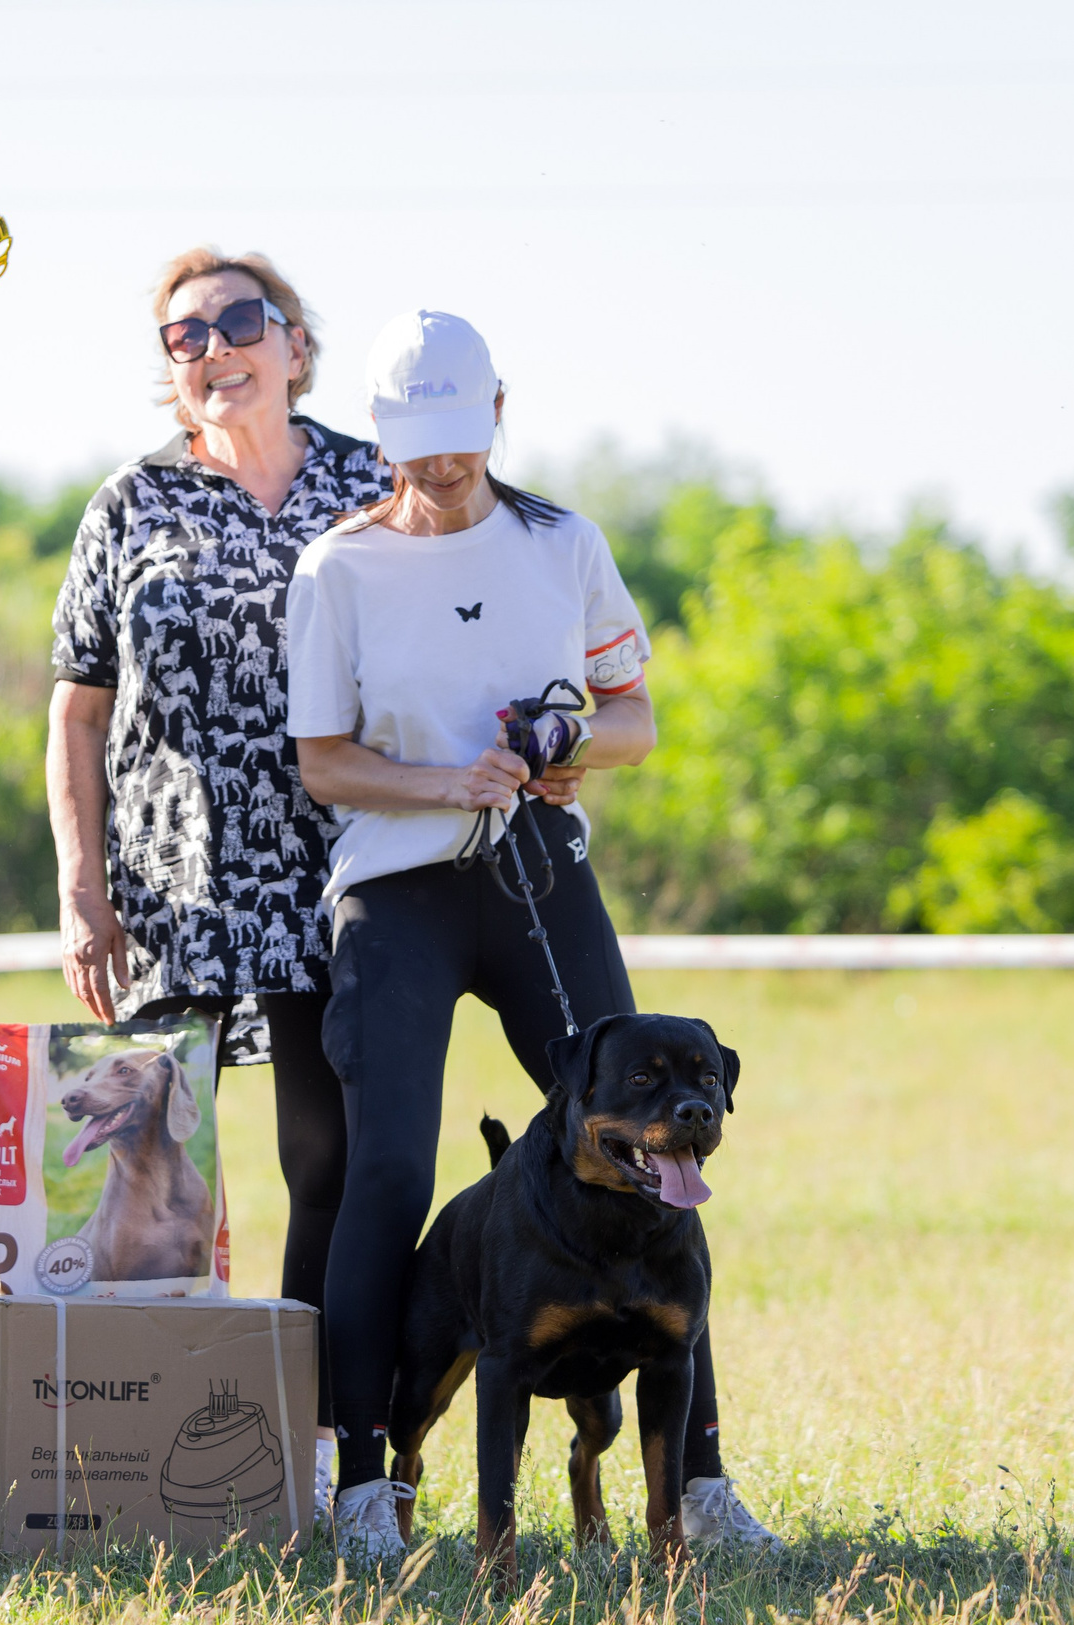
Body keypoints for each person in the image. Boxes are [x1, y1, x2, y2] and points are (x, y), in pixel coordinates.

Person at [286, 308, 778, 1562]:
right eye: (416, 449)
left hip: (536, 879)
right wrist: (441, 782)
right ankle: (360, 1486)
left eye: (458, 443)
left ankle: (702, 1484)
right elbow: (322, 760)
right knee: (384, 1172)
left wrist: (568, 749)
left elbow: (635, 718)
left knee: (656, 1145)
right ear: (387, 434)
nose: (440, 472)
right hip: (393, 891)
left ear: (495, 414)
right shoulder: (336, 565)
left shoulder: (564, 543)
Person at [47, 248, 389, 1522]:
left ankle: (320, 1449)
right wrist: (82, 885)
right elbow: (74, 713)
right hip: (171, 886)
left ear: (296, 344)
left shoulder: (375, 483)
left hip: (334, 880)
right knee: (140, 1176)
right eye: (183, 335)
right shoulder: (127, 502)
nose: (212, 348)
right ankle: (129, 1469)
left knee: (331, 1161)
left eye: (239, 322)